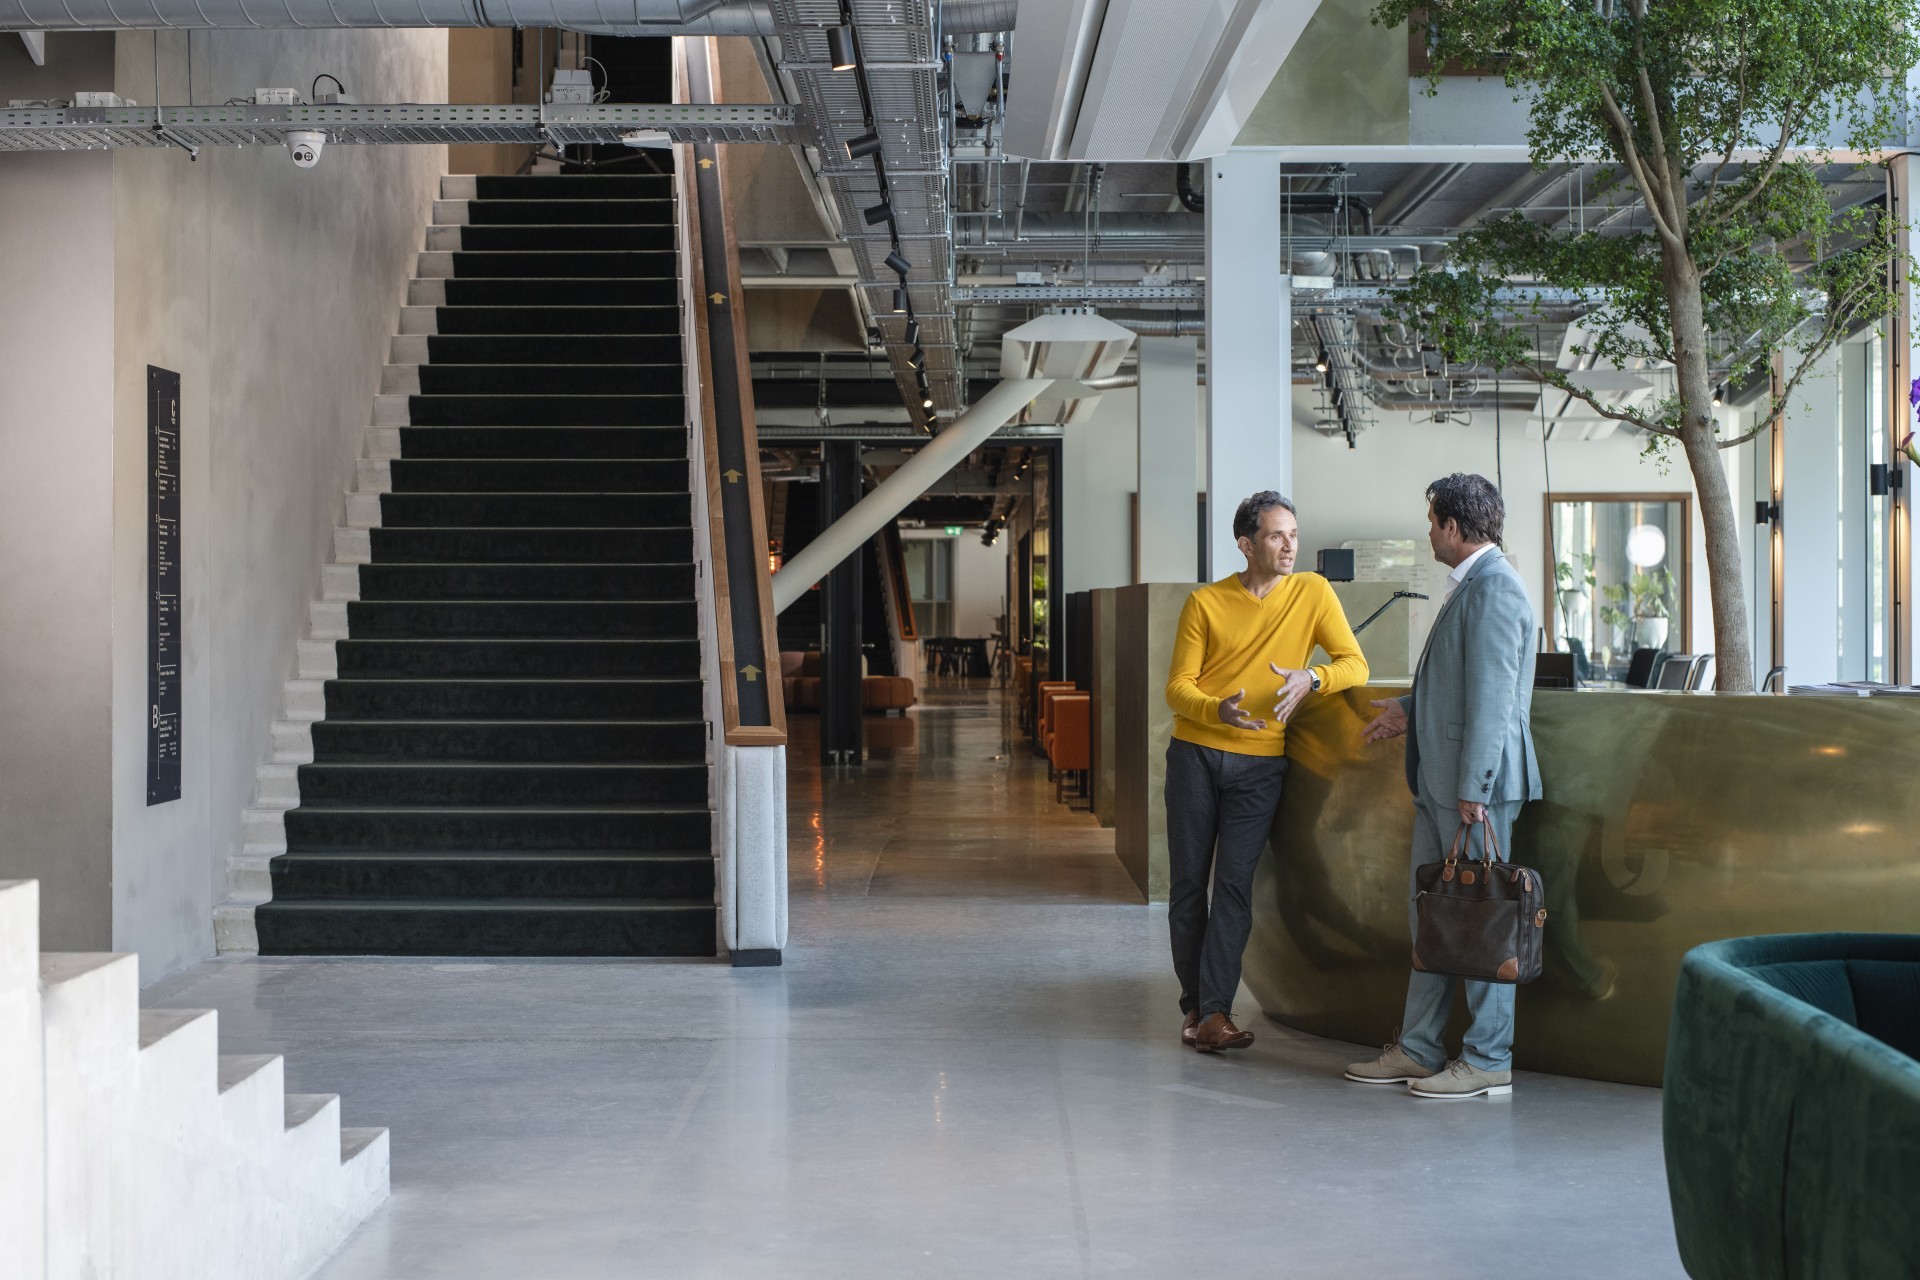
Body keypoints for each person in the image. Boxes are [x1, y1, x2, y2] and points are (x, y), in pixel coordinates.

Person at [1348, 473, 1541, 1098]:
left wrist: (1475, 790)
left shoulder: (1495, 590)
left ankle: (1488, 1059)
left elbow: (1493, 703)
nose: (1428, 532)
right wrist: (1409, 706)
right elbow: (1462, 684)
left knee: (1482, 921)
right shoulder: (1475, 586)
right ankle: (1420, 1048)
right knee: (1435, 921)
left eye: (1432, 522)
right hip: (1446, 787)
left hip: (1470, 792)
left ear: (1454, 528)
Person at [1164, 491, 1369, 1053]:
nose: (1289, 546)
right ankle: (1194, 1008)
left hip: (1261, 766)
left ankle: (1215, 1015)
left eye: (1293, 535)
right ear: (1245, 543)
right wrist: (1215, 709)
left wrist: (1313, 678)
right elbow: (1177, 688)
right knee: (1188, 890)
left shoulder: (1313, 592)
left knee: (1232, 888)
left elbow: (1355, 663)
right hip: (1196, 757)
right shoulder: (1205, 603)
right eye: (1276, 535)